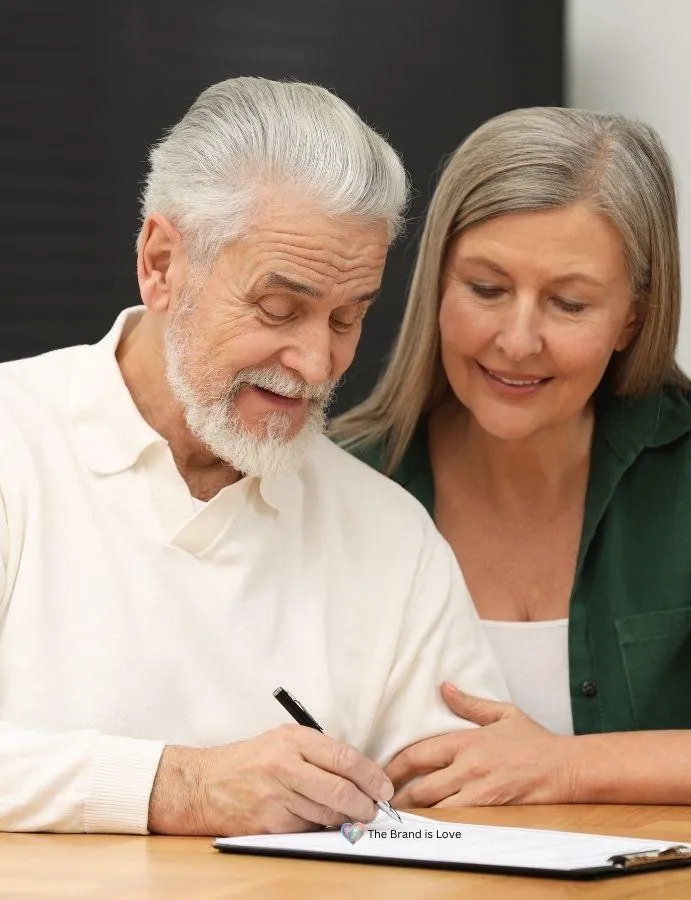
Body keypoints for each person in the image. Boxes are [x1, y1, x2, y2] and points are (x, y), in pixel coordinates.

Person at [0, 77, 508, 835]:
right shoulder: (16, 440)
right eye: (279, 308)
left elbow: (464, 815)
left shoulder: (390, 536)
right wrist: (182, 787)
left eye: (348, 318)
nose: (315, 363)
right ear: (163, 262)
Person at [332, 107, 691, 807]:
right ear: (436, 283)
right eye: (486, 289)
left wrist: (566, 768)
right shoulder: (341, 480)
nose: (517, 341)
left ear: (631, 318)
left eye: (570, 303)